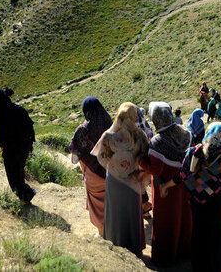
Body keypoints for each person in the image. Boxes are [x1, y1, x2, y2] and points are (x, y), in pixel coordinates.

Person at [159, 122, 221, 271]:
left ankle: (199, 266)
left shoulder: (194, 152)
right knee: (218, 236)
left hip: (198, 204)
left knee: (199, 234)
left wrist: (165, 186)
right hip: (218, 205)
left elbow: (181, 176)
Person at [91, 102, 149, 257]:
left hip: (114, 181)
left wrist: (114, 167)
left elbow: (100, 157)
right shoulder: (140, 135)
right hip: (132, 180)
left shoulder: (108, 135)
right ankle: (134, 249)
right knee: (131, 213)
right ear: (134, 116)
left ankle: (115, 246)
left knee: (115, 213)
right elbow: (144, 159)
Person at [139, 102, 192, 266]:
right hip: (184, 183)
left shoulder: (157, 142)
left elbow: (155, 170)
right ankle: (184, 251)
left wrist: (140, 160)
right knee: (183, 216)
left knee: (167, 220)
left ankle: (165, 257)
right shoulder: (185, 133)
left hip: (165, 189)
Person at [69, 97, 112, 235]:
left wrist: (86, 171)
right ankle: (114, 230)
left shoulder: (83, 129)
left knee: (98, 205)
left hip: (93, 174)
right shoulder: (111, 124)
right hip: (113, 173)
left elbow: (76, 153)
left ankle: (101, 232)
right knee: (112, 202)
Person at [0, 88, 36, 204]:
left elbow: (0, 134)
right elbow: (30, 127)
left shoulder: (1, 113)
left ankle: (26, 196)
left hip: (10, 150)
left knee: (12, 175)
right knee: (19, 172)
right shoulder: (19, 109)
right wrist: (28, 144)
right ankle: (25, 197)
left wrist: (3, 145)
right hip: (23, 148)